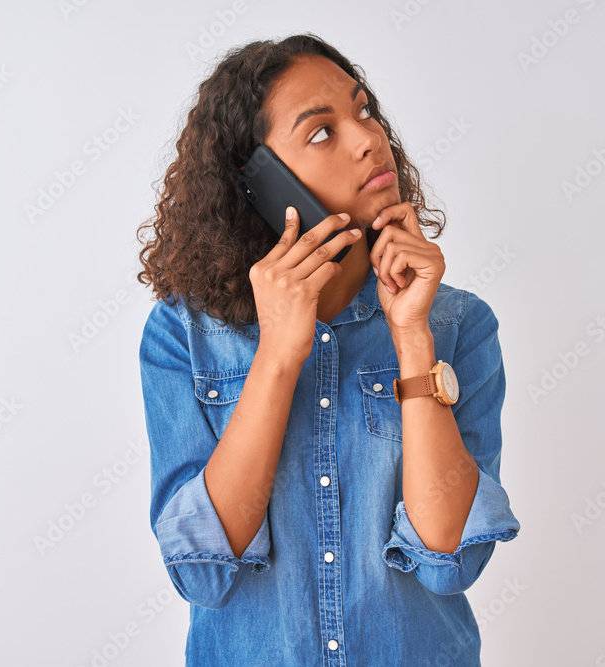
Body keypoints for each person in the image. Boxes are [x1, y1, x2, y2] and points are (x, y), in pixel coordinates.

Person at [136, 32, 521, 666]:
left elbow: (449, 558)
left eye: (364, 111)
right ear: (259, 182)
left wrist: (412, 338)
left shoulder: (459, 325)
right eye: (321, 132)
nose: (369, 138)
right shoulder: (183, 336)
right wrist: (278, 356)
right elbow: (204, 571)